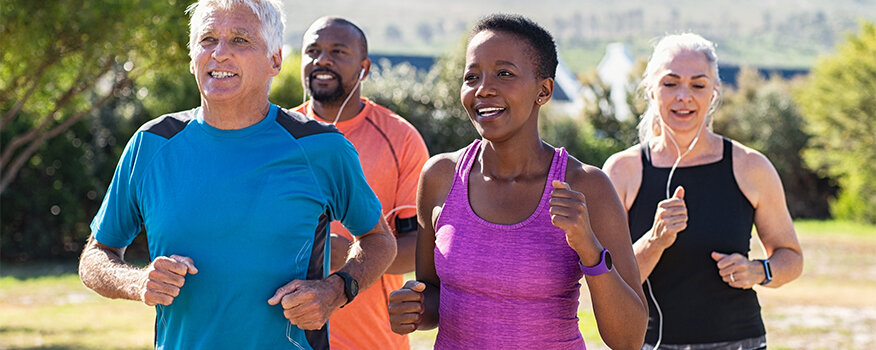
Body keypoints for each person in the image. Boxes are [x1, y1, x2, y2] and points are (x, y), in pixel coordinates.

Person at [77, 1, 397, 349]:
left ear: (275, 60)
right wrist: (137, 283)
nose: (220, 54)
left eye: (240, 40)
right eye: (208, 40)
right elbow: (95, 255)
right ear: (191, 57)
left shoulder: (322, 148)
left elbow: (379, 239)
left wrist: (336, 289)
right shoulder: (151, 144)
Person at [387, 14, 648, 349]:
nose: (483, 89)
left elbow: (629, 339)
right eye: (472, 76)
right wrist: (415, 309)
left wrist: (588, 246)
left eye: (504, 73)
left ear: (544, 90)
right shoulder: (440, 177)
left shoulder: (586, 186)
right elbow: (435, 296)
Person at [602, 33, 804, 350]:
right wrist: (655, 240)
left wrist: (758, 270)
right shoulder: (622, 171)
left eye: (698, 85)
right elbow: (607, 281)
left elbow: (791, 258)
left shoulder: (751, 167)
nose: (684, 95)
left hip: (740, 342)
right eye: (670, 83)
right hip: (650, 343)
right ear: (651, 90)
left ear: (714, 93)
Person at [290, 16, 429, 350]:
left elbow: (420, 246)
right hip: (283, 338)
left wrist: (349, 258)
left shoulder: (401, 138)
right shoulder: (275, 136)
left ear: (364, 68)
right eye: (313, 50)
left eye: (338, 51)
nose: (322, 60)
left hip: (372, 340)